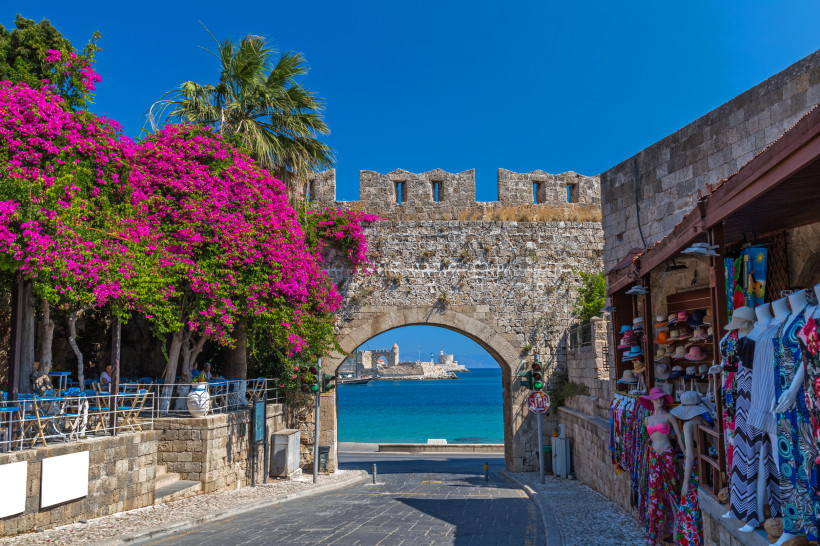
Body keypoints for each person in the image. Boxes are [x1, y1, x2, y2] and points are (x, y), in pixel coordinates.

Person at [639, 387, 683, 545]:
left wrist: (686, 454)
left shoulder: (669, 417)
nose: (660, 400)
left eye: (662, 397)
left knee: (672, 488)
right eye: (657, 398)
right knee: (655, 494)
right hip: (653, 457)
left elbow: (678, 436)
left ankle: (678, 529)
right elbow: (648, 440)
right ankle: (655, 533)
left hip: (667, 454)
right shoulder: (647, 420)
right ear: (651, 400)